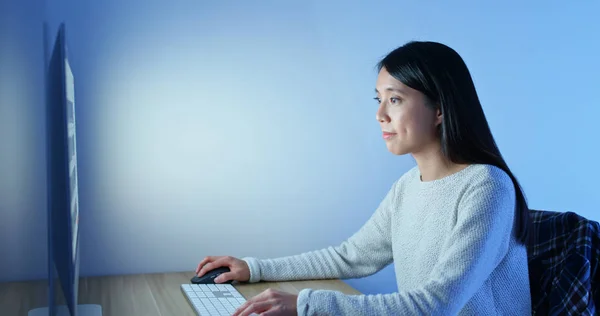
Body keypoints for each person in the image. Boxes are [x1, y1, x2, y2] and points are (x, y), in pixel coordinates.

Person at [195, 41, 532, 316]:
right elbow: (350, 257)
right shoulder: (407, 188)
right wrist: (253, 269)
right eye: (379, 99)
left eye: (395, 100)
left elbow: (437, 306)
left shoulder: (487, 187)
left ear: (440, 109)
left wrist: (305, 304)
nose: (380, 114)